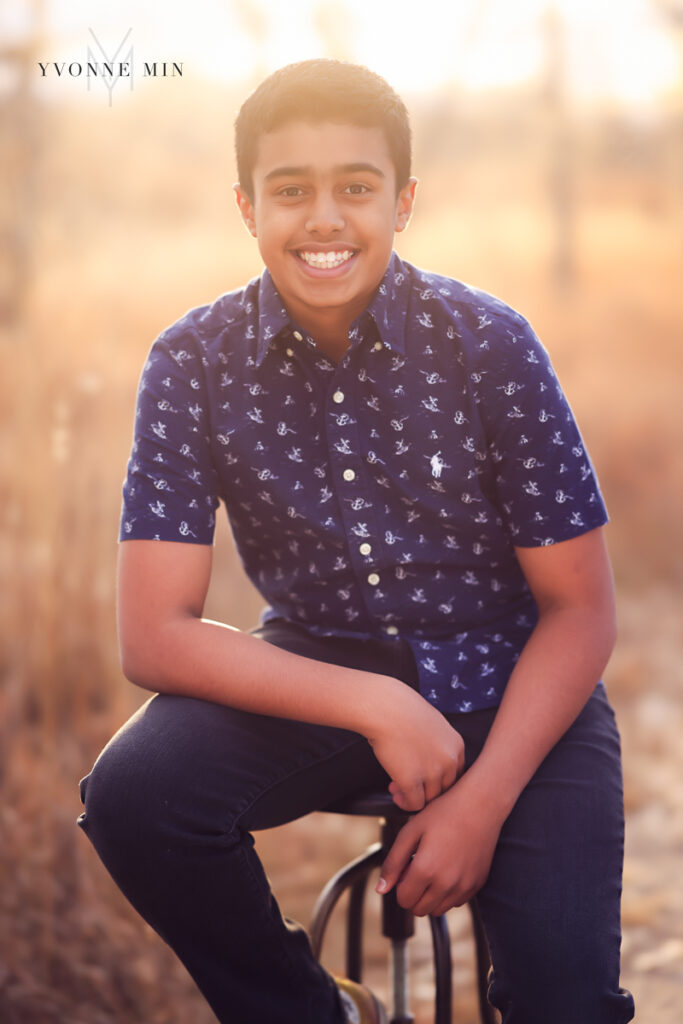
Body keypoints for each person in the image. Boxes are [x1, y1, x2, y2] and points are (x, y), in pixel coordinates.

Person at [78, 59, 635, 1024]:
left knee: (565, 1002)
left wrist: (480, 801)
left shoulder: (490, 345)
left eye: (355, 187)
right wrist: (377, 702)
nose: (323, 219)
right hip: (323, 669)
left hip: (520, 684)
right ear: (247, 207)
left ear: (403, 202)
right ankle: (318, 1013)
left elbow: (579, 611)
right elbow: (153, 636)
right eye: (290, 190)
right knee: (134, 797)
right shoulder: (191, 362)